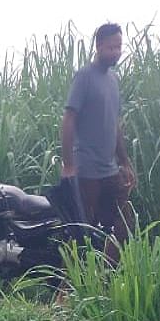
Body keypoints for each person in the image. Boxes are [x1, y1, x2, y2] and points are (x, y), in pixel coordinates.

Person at [61, 23, 137, 260]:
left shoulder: (113, 81)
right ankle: (67, 284)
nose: (116, 52)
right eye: (111, 47)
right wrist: (69, 164)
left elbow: (114, 125)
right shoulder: (84, 77)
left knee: (125, 222)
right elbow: (68, 119)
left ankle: (105, 275)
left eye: (119, 47)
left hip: (109, 169)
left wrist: (124, 162)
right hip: (87, 170)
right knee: (82, 229)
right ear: (98, 46)